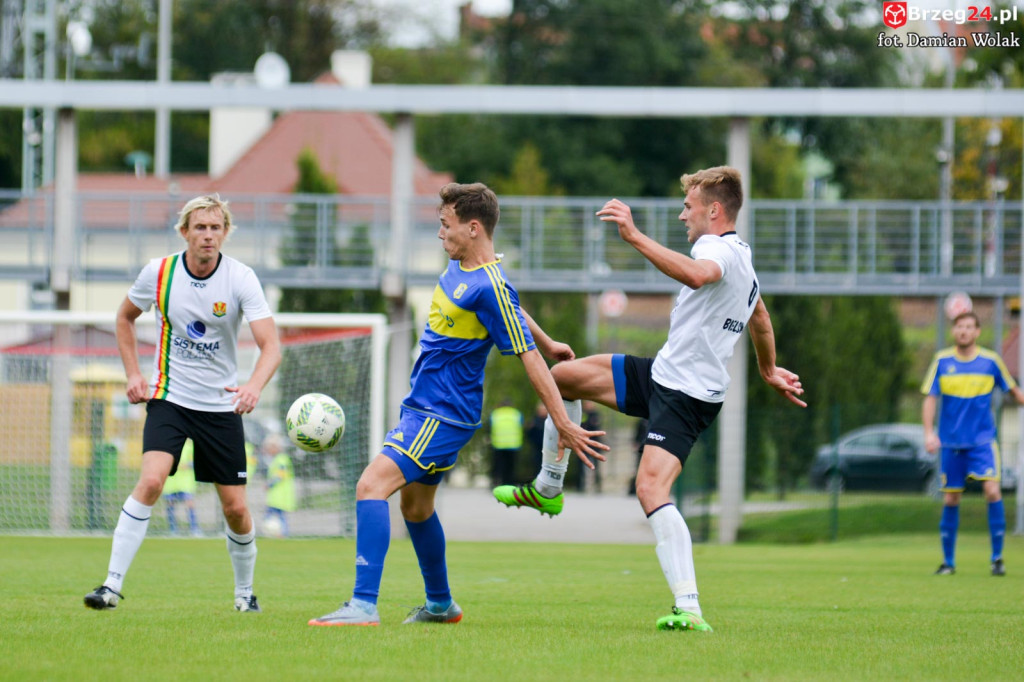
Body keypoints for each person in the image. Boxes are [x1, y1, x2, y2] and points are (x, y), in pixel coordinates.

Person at [494, 167, 805, 632]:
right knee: (560, 379)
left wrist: (634, 236)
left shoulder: (716, 248)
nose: (683, 215)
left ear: (714, 211)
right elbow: (759, 315)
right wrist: (766, 368)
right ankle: (549, 487)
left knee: (650, 489)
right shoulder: (743, 257)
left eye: (689, 207)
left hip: (687, 395)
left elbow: (700, 276)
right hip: (661, 374)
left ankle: (690, 606)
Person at [308, 182, 608, 627]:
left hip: (441, 412)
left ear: (472, 228)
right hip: (426, 408)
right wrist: (548, 339)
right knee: (416, 509)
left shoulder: (488, 284)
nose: (439, 234)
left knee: (370, 486)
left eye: (445, 226)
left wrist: (562, 420)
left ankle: (363, 605)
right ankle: (441, 605)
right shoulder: (473, 271)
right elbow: (514, 312)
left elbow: (526, 357)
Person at [83, 194, 281, 613]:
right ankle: (110, 585)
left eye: (215, 228)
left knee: (236, 508)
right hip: (170, 399)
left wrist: (253, 387)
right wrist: (134, 375)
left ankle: (245, 595)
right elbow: (123, 318)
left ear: (225, 232)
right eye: (200, 227)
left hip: (221, 407)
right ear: (185, 232)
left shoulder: (241, 278)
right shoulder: (158, 273)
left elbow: (271, 347)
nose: (208, 236)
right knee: (152, 481)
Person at [921, 310, 1023, 577]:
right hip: (952, 444)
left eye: (969, 327)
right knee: (952, 498)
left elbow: (1014, 392)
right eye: (959, 327)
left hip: (982, 443)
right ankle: (948, 562)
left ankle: (997, 558)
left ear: (977, 331)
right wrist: (929, 433)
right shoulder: (942, 362)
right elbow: (930, 398)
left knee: (992, 491)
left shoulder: (991, 362)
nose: (964, 331)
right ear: (954, 331)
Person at [162, 438, 201, 536]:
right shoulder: (168, 444)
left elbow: (196, 462)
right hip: (171, 482)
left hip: (185, 483)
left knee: (189, 504)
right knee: (170, 505)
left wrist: (185, 465)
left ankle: (194, 529)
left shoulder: (190, 445)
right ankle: (173, 530)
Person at [263, 434, 296, 537]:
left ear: (276, 447)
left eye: (270, 447)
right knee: (274, 516)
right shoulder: (277, 459)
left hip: (280, 496)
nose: (268, 450)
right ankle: (276, 534)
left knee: (276, 516)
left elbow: (281, 474)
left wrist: (270, 484)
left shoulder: (282, 459)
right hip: (275, 497)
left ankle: (282, 534)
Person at [489, 401, 524, 486]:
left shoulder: (495, 414)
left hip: (498, 444)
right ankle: (509, 484)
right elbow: (522, 425)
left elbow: (489, 426)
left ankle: (496, 483)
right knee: (511, 466)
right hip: (513, 444)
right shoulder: (517, 414)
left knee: (498, 466)